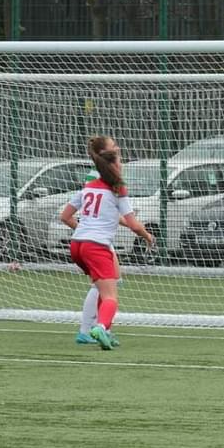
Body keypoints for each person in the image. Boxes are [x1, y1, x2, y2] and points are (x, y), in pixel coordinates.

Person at [60, 146, 153, 350]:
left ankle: (101, 330)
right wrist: (147, 236)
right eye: (119, 160)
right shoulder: (117, 189)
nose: (122, 163)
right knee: (110, 296)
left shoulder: (89, 186)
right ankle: (98, 328)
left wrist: (85, 232)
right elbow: (134, 224)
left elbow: (64, 216)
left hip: (77, 245)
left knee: (102, 287)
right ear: (112, 165)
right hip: (96, 246)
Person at [74, 135, 124, 346]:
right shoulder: (99, 175)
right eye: (113, 145)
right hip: (97, 239)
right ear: (104, 152)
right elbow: (99, 209)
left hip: (95, 236)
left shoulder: (104, 173)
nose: (117, 147)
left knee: (108, 283)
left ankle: (98, 328)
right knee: (104, 285)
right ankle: (91, 330)